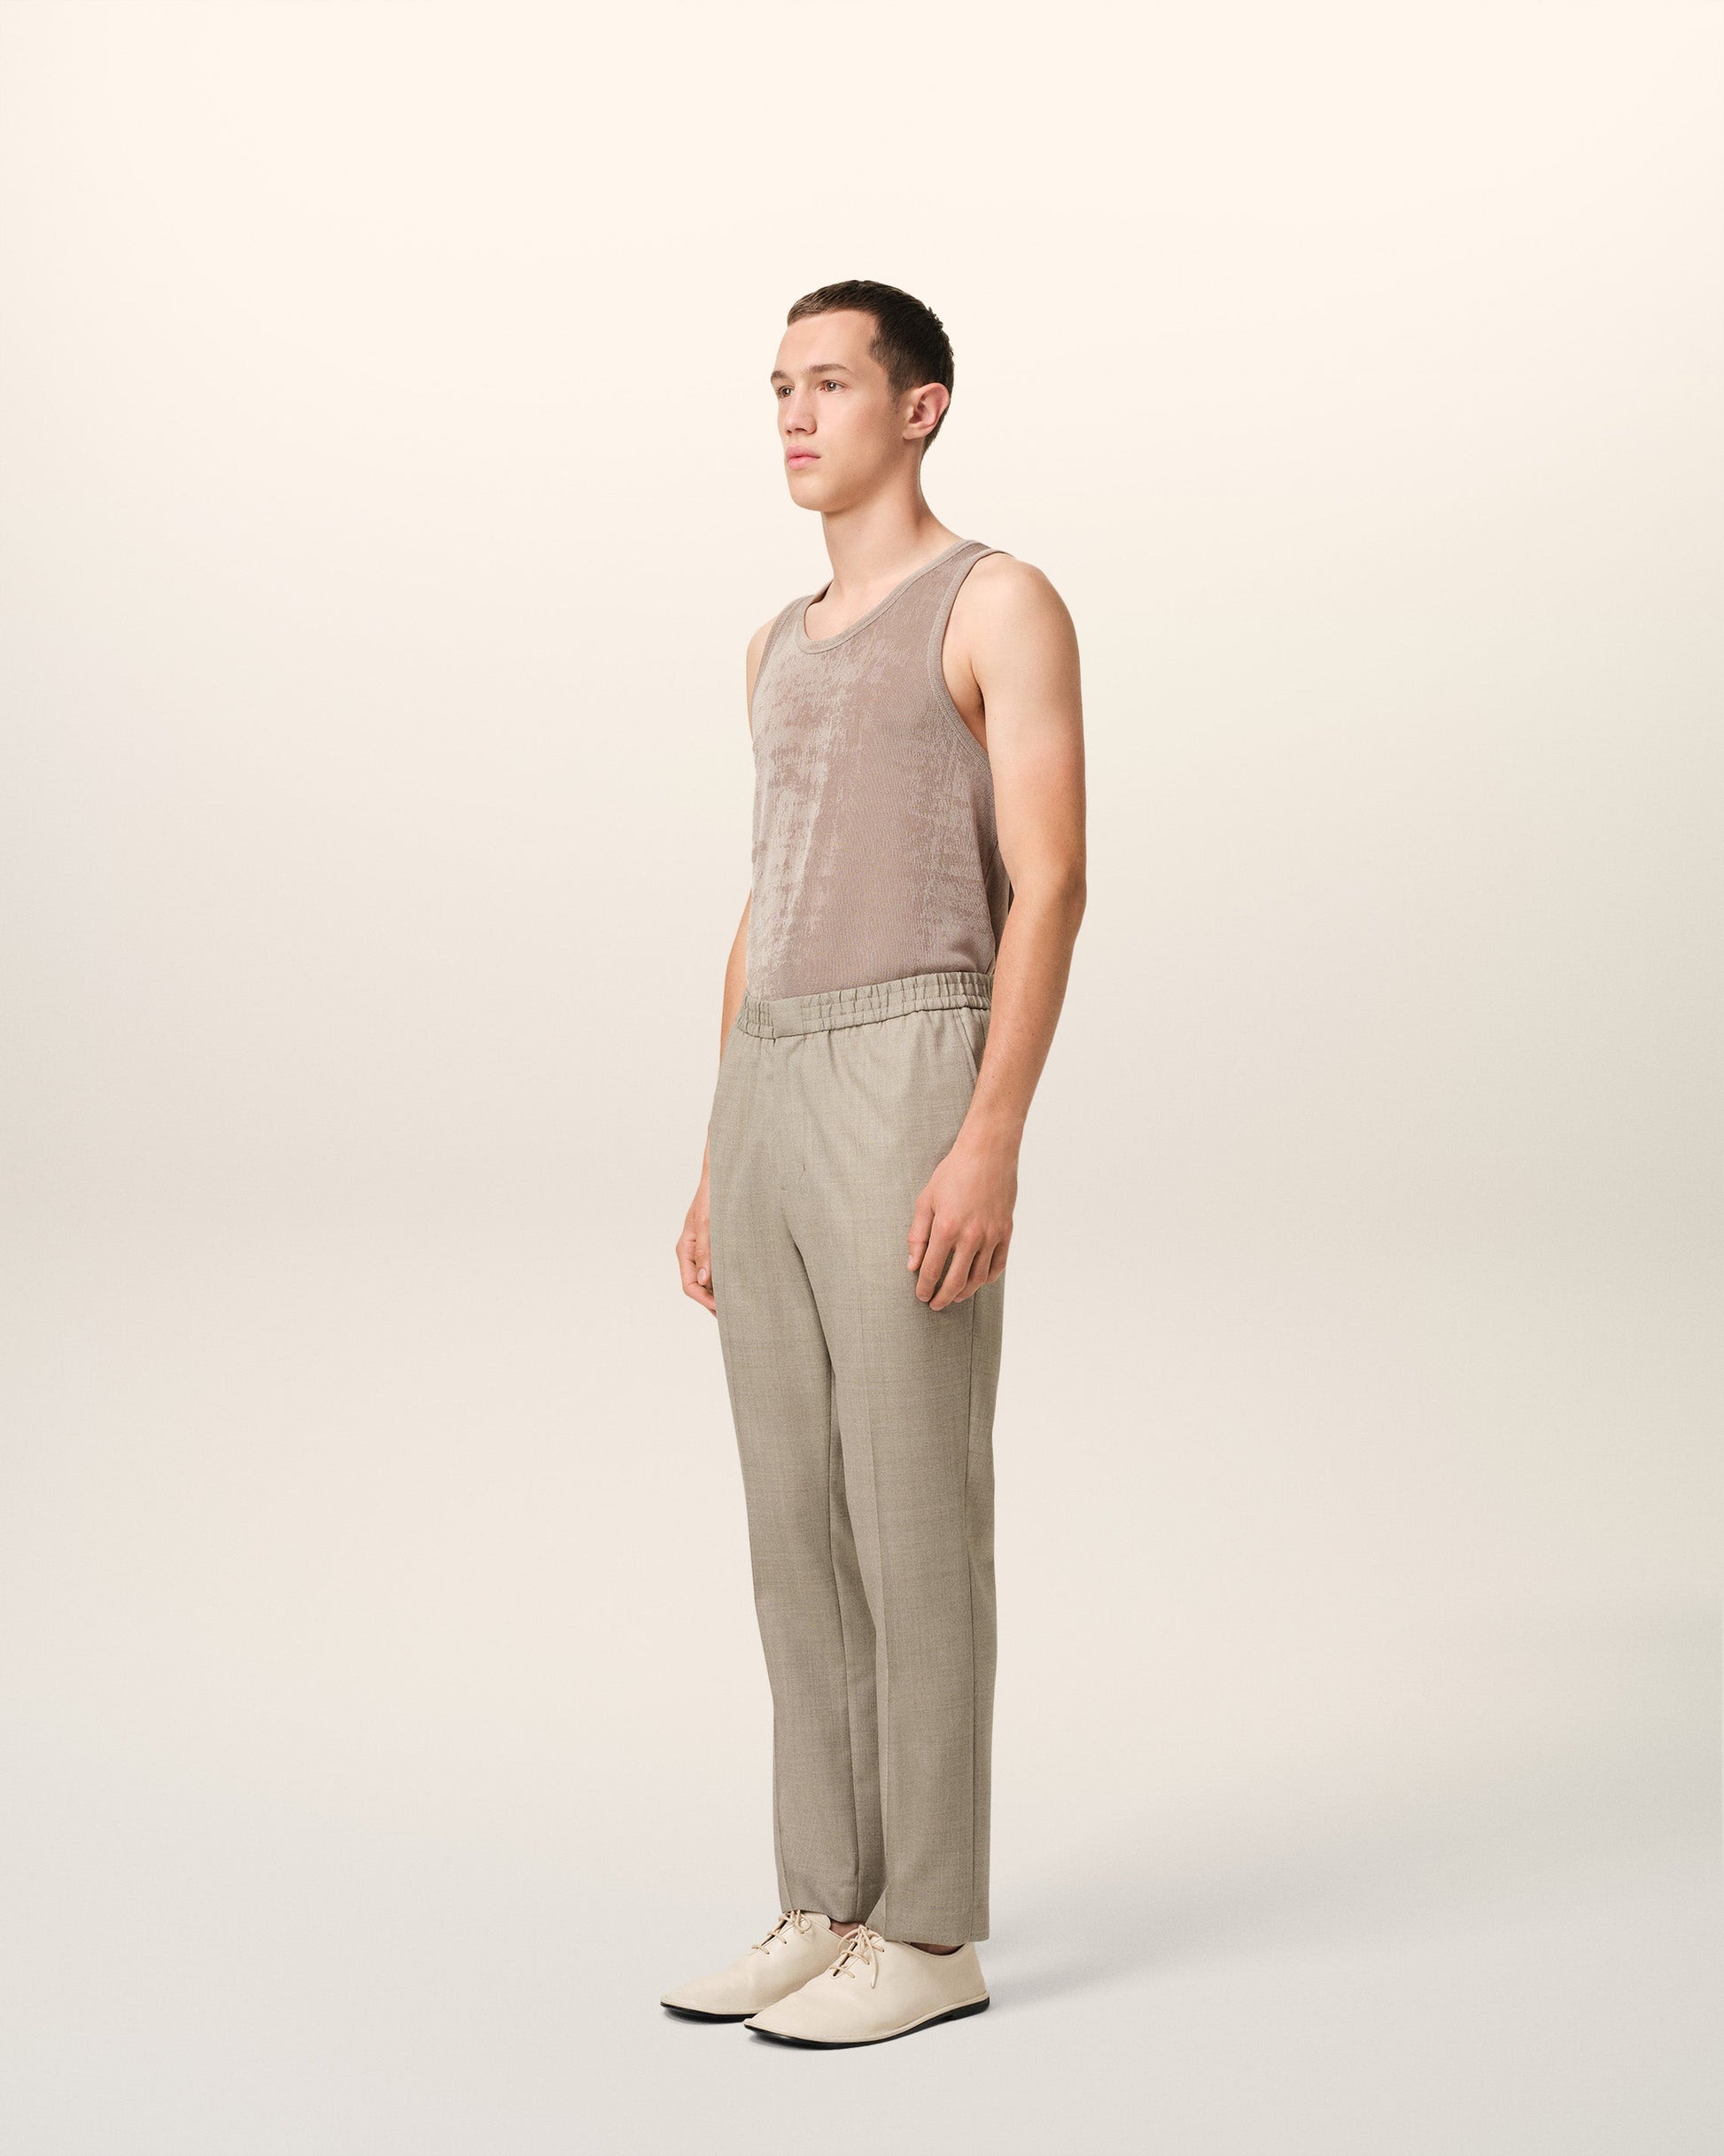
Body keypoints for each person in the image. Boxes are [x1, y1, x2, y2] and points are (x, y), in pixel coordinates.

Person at [664, 280, 1086, 2048]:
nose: (791, 412)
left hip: (914, 1053)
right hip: (769, 1077)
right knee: (793, 1524)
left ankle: (929, 1929)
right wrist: (716, 1148)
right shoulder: (773, 644)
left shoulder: (995, 601)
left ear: (918, 406)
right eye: (778, 384)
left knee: (913, 1513)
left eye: (828, 381)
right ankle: (825, 1899)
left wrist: (988, 1131)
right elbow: (767, 888)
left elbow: (1049, 878)